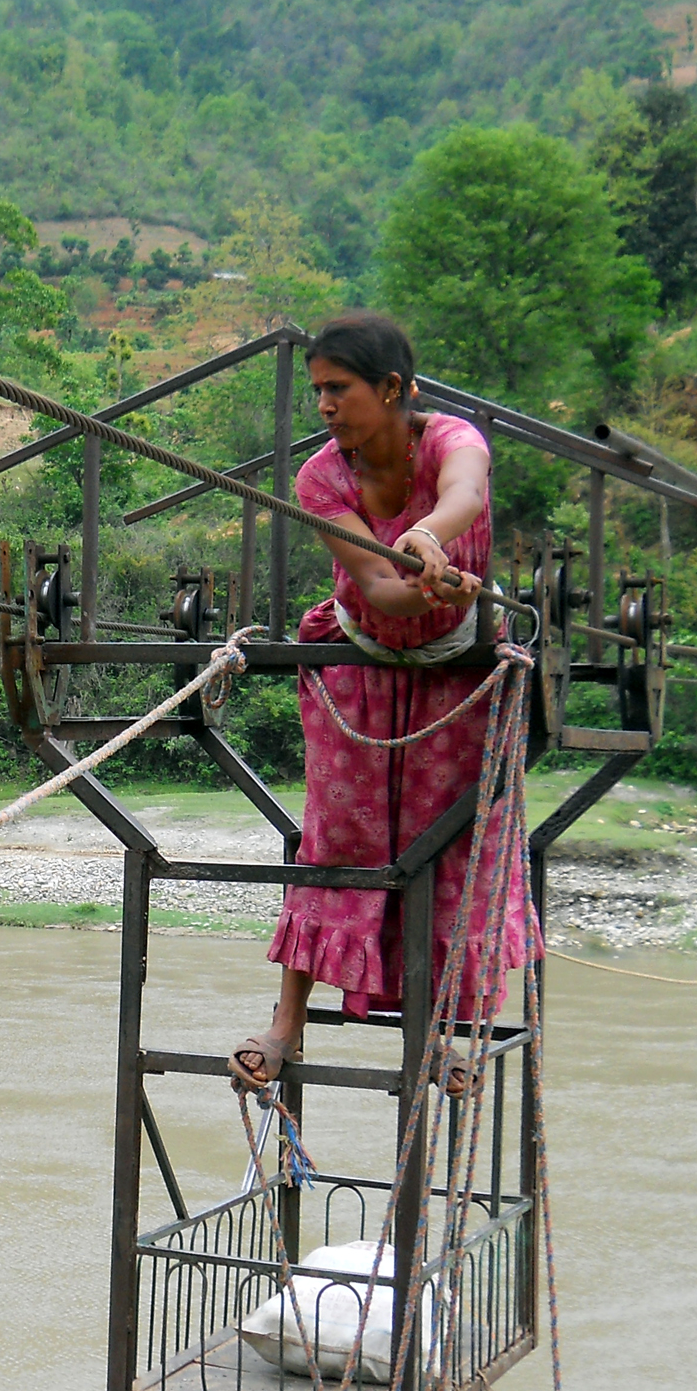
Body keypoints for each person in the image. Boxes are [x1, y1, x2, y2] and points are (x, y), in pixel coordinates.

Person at [231, 311, 539, 1090]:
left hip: (456, 680)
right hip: (360, 673)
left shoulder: (450, 442)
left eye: (340, 389)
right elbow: (375, 591)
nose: (325, 406)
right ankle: (286, 1023)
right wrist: (415, 575)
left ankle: (438, 1035)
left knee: (450, 849)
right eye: (318, 392)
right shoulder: (320, 478)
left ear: (394, 389)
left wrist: (429, 537)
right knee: (336, 840)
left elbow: (466, 492)